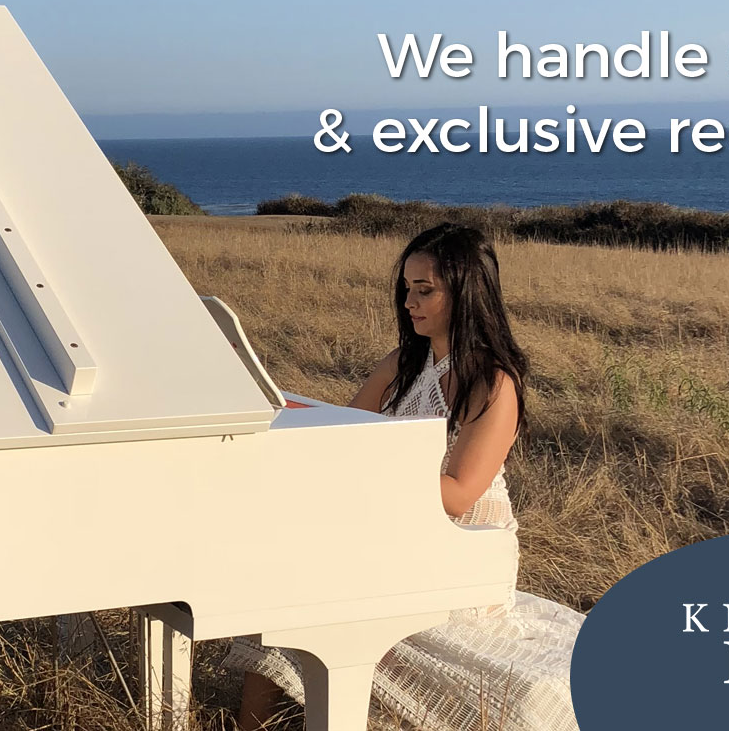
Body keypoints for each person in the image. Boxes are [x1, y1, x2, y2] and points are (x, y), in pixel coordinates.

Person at [223, 223, 583, 731]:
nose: (410, 302)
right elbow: (342, 436)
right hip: (391, 533)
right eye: (406, 289)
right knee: (288, 590)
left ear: (466, 292)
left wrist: (371, 476)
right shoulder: (403, 364)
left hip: (458, 552)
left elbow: (457, 497)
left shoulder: (493, 382)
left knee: (306, 596)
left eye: (425, 290)